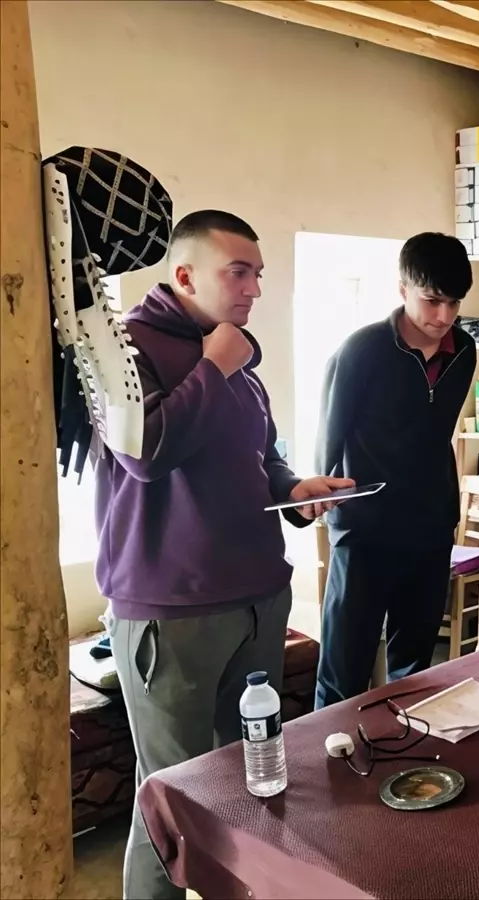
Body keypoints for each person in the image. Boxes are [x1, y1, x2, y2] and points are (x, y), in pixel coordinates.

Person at [98, 210, 351, 900]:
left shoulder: (236, 353)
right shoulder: (124, 348)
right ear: (184, 275)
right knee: (171, 803)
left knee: (251, 785)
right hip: (170, 612)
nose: (254, 289)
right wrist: (213, 365)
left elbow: (258, 457)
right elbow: (147, 453)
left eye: (258, 273)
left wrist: (295, 489)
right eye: (238, 272)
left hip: (256, 599)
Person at [315, 233, 477, 708]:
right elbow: (330, 434)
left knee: (414, 672)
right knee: (344, 669)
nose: (443, 317)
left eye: (454, 303)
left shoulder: (463, 351)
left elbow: (435, 433)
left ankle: (402, 767)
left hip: (429, 528)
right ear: (403, 289)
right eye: (432, 300)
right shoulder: (362, 349)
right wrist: (326, 508)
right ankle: (325, 774)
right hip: (364, 531)